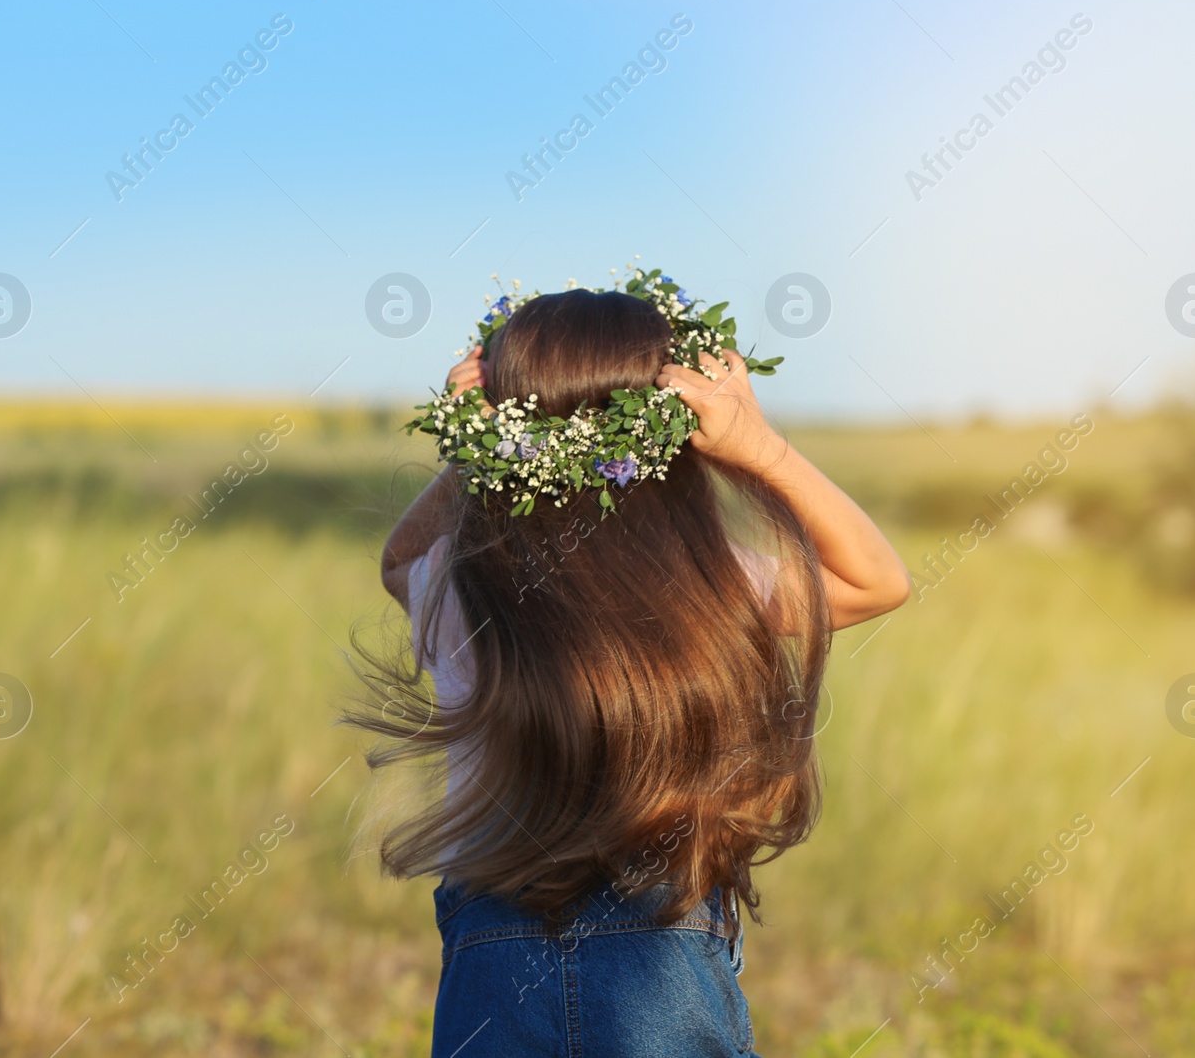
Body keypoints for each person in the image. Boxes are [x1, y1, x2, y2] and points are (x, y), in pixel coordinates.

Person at [351, 284, 909, 1056]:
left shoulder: (461, 579)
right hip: (666, 947)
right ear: (669, 431)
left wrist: (471, 450)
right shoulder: (712, 584)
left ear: (504, 426)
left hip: (493, 950)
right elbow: (878, 579)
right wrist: (755, 445)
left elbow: (400, 558)